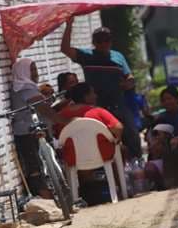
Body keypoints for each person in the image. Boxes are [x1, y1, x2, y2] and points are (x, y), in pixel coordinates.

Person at [60, 19, 141, 157]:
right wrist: (69, 25)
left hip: (118, 104)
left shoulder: (118, 57)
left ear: (111, 41)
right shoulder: (87, 56)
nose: (103, 44)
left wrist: (128, 83)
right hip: (96, 106)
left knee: (132, 135)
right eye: (99, 41)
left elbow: (130, 77)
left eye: (106, 40)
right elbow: (65, 49)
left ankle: (135, 167)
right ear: (94, 42)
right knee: (101, 139)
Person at [10, 58, 69, 199]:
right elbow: (43, 108)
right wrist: (64, 121)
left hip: (37, 129)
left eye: (35, 69)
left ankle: (57, 197)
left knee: (45, 163)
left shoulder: (26, 87)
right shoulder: (24, 88)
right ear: (22, 71)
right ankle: (48, 199)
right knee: (35, 167)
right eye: (31, 70)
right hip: (27, 133)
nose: (35, 73)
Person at [56, 82, 124, 141]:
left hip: (73, 154)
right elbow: (118, 127)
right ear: (86, 96)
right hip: (103, 153)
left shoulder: (61, 116)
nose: (96, 96)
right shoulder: (98, 111)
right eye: (93, 93)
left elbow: (58, 136)